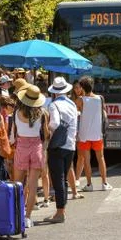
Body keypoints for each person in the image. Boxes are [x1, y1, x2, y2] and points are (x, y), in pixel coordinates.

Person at [10, 85, 49, 228]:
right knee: (32, 186)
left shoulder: (16, 113)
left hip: (21, 147)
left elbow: (13, 135)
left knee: (17, 184)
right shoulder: (43, 113)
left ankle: (17, 215)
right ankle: (27, 217)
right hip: (36, 148)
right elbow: (45, 135)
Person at [43, 77, 78, 223]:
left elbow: (55, 123)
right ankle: (62, 210)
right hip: (70, 144)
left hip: (57, 145)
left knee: (58, 179)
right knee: (63, 178)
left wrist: (46, 129)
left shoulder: (53, 105)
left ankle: (60, 212)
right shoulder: (72, 104)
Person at [76, 76, 111, 191]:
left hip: (84, 134)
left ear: (82, 87)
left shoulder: (80, 100)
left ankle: (89, 184)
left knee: (87, 160)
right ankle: (104, 183)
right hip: (97, 133)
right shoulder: (100, 98)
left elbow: (78, 112)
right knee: (101, 158)